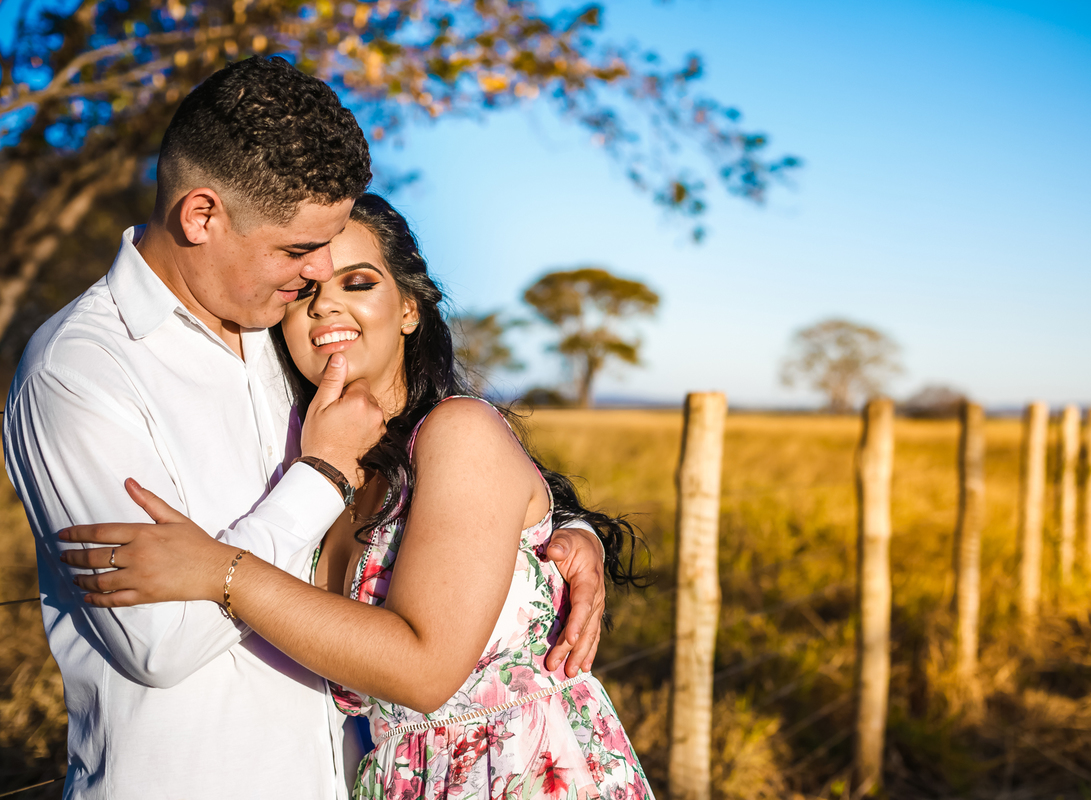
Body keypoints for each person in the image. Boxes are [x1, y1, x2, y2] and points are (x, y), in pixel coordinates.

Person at [3, 57, 607, 800]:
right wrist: (316, 479)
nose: (313, 285)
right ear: (201, 217)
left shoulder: (269, 335)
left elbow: (438, 466)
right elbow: (155, 643)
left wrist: (566, 532)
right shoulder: (82, 370)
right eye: (299, 256)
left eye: (340, 267)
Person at [60, 193, 657, 799]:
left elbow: (424, 673)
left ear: (408, 310)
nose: (328, 307)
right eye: (306, 292)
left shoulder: (459, 431)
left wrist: (219, 569)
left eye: (359, 282)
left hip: (521, 774)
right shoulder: (315, 467)